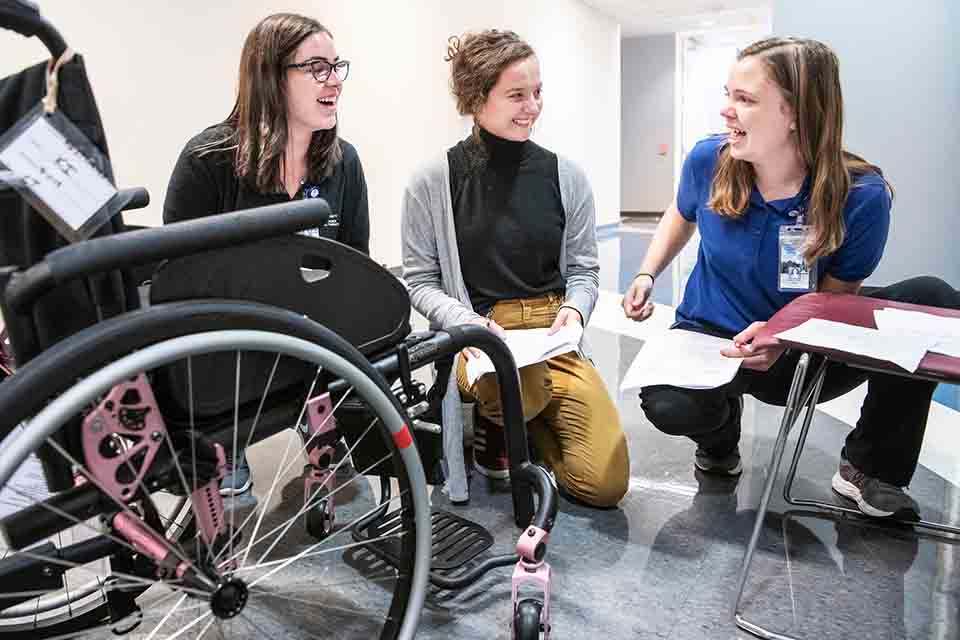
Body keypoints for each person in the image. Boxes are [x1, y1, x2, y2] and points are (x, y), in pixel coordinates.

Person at [623, 36, 960, 521]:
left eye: (745, 99)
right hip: (711, 341)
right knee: (666, 402)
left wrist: (782, 336)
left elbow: (836, 298)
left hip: (797, 350)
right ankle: (720, 437)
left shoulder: (861, 195)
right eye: (727, 94)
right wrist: (646, 271)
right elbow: (682, 212)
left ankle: (868, 467)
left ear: (797, 112)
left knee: (929, 298)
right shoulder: (710, 161)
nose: (726, 111)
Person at [402, 29, 629, 507]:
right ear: (476, 98)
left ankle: (513, 428)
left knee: (605, 485)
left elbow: (585, 269)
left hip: (554, 334)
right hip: (480, 338)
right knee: (520, 391)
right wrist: (468, 324)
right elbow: (420, 281)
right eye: (517, 95)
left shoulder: (566, 176)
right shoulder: (433, 181)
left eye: (538, 92)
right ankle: (504, 416)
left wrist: (577, 311)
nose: (533, 106)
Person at [163, 13, 369, 494]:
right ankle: (225, 436)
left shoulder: (344, 163)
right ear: (271, 77)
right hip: (226, 345)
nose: (334, 80)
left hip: (310, 334)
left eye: (337, 65)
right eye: (316, 67)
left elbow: (355, 264)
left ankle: (313, 413)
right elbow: (176, 282)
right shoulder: (208, 161)